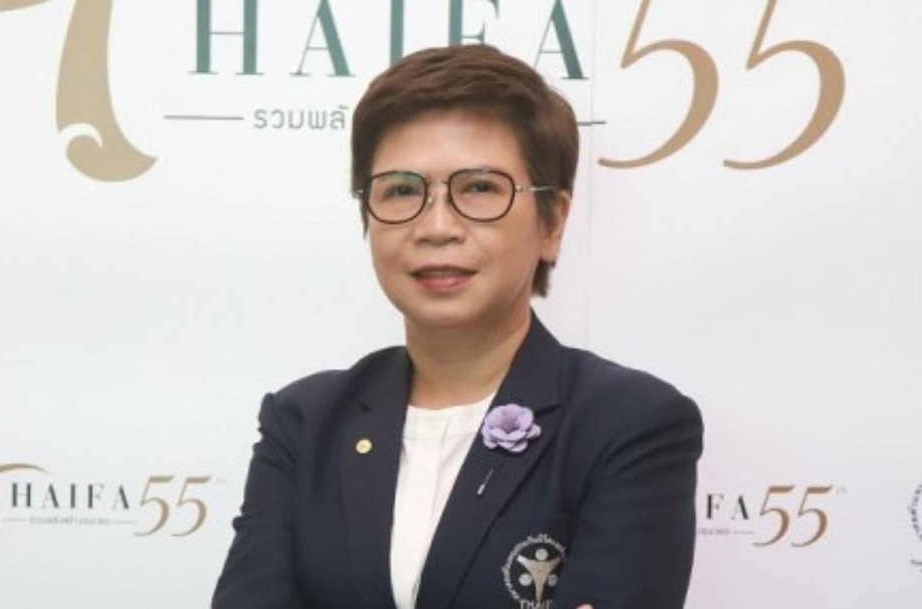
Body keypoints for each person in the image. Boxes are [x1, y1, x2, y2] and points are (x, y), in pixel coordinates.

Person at [212, 44, 703, 609]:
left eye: (479, 188)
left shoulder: (628, 425)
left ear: (552, 221)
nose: (437, 226)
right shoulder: (304, 423)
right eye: (402, 190)